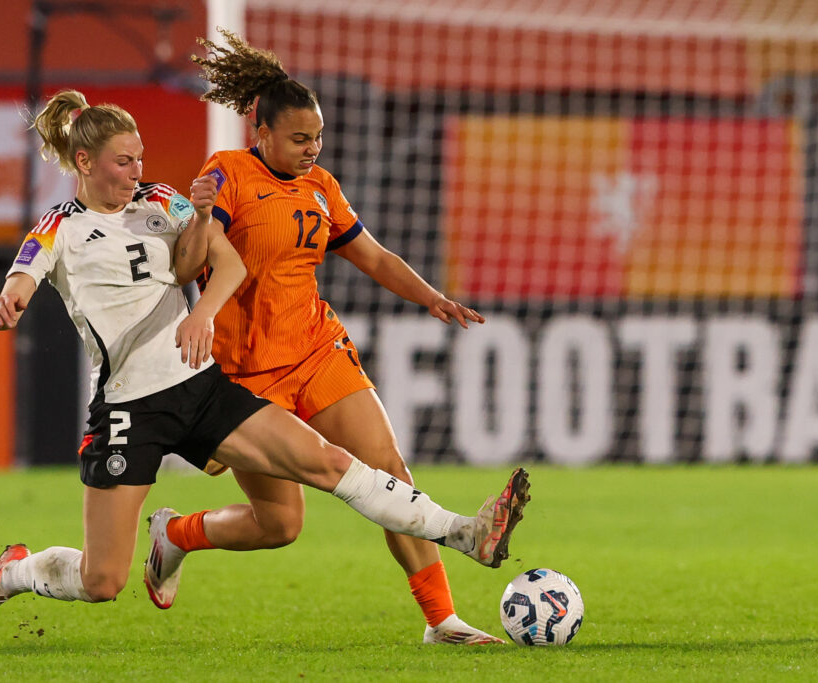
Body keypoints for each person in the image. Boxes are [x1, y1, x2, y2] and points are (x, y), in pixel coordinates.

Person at [0, 89, 527, 625]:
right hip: (130, 410)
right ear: (84, 161)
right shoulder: (59, 228)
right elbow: (21, 279)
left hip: (201, 387)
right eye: (123, 163)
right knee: (103, 579)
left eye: (140, 159)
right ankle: (16, 572)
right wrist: (7, 304)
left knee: (328, 464)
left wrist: (202, 303)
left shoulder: (163, 201)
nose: (136, 173)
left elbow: (223, 264)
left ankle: (464, 533)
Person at [137, 31, 530, 646]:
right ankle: (177, 534)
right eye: (298, 138)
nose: (310, 148)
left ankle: (442, 621)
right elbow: (186, 270)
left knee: (389, 470)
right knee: (281, 525)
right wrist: (202, 212)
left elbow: (372, 257)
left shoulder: (322, 186)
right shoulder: (227, 174)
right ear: (259, 132)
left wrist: (431, 296)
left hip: (318, 349)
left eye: (316, 137)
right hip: (246, 374)